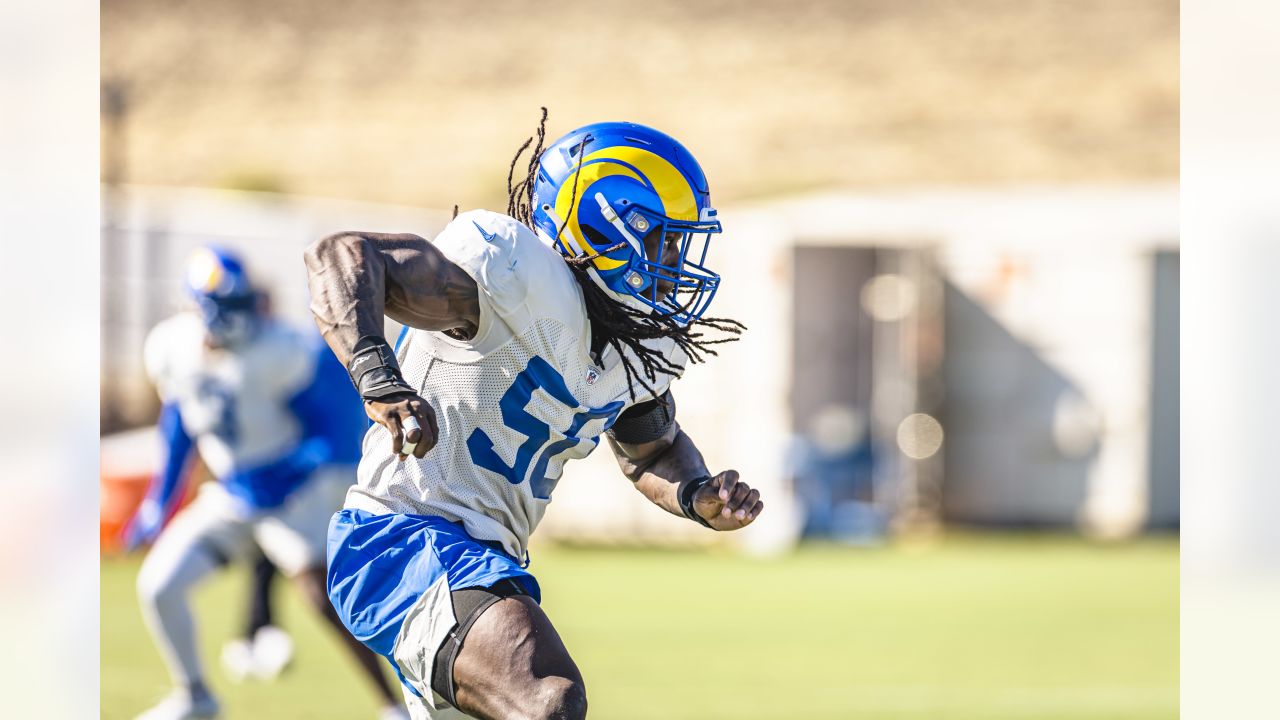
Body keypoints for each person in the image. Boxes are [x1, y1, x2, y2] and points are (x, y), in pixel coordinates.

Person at [305, 114, 764, 720]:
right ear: (600, 226)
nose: (676, 262)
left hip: (487, 560)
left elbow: (650, 450)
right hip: (401, 537)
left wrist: (698, 493)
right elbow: (341, 255)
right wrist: (379, 380)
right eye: (662, 240)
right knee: (547, 699)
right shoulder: (511, 275)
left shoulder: (632, 343)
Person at [124, 247, 407, 720]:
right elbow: (179, 424)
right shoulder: (172, 348)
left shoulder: (285, 350)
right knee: (158, 586)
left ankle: (394, 706)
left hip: (293, 493)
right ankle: (195, 695)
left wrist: (286, 474)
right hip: (233, 494)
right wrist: (159, 499)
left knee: (324, 598)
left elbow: (336, 433)